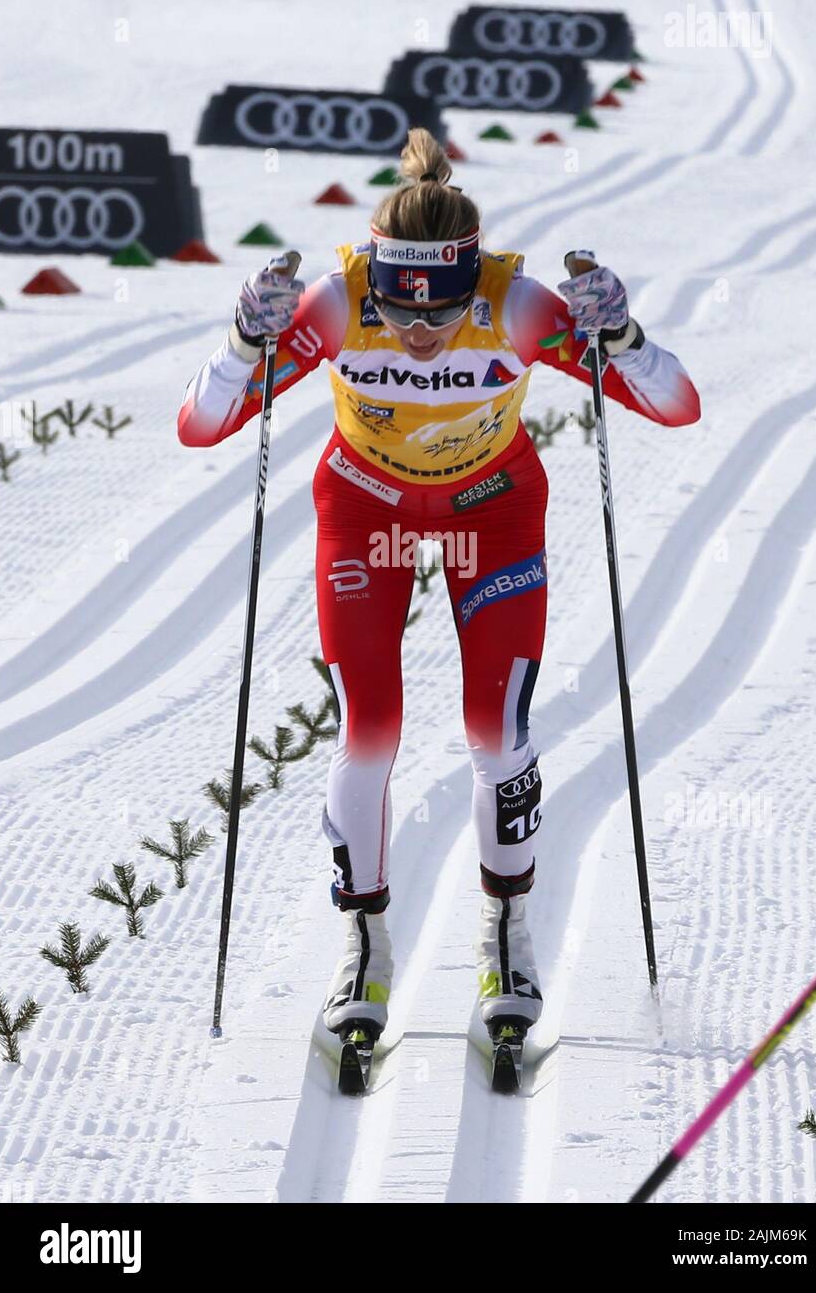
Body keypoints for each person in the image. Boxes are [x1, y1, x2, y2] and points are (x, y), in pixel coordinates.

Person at [178, 127, 700, 1045]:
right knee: (369, 731)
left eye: (444, 312)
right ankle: (366, 945)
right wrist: (239, 342)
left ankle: (508, 932)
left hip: (489, 510)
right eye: (402, 311)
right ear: (372, 278)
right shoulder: (336, 304)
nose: (420, 335)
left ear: (476, 279)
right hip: (365, 507)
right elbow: (201, 425)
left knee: (496, 732)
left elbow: (674, 404)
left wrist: (619, 332)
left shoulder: (518, 304)